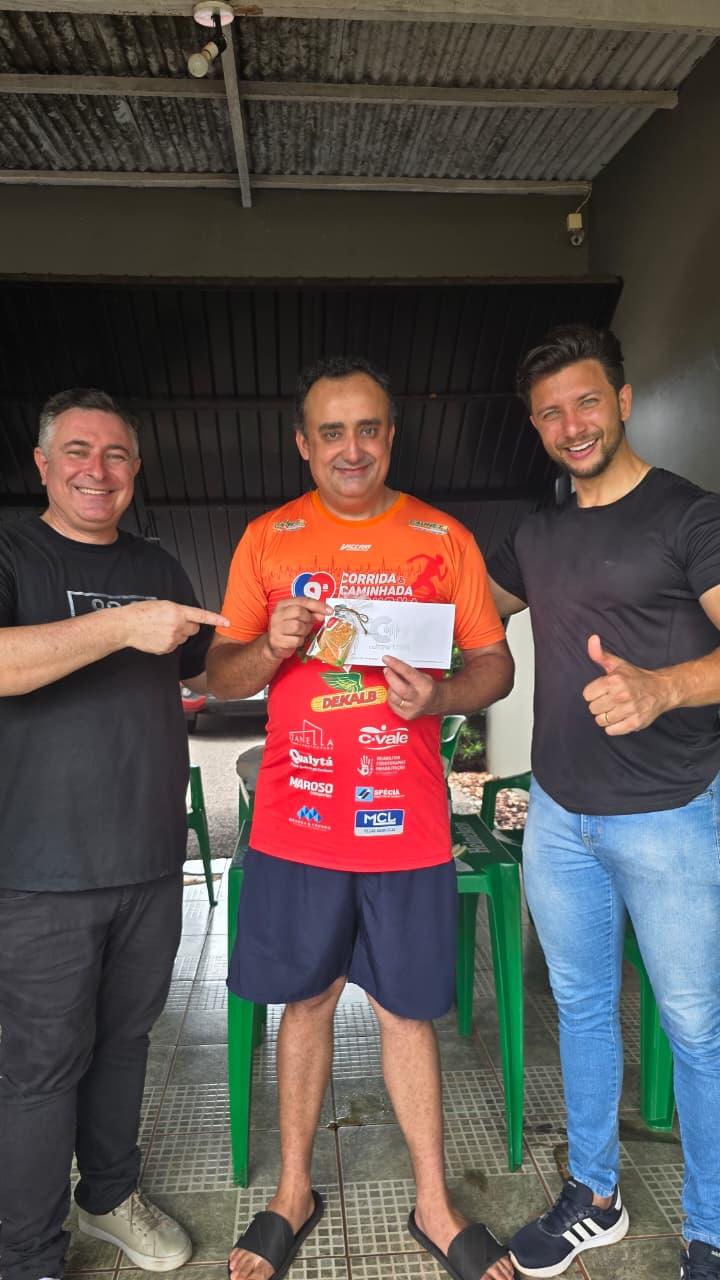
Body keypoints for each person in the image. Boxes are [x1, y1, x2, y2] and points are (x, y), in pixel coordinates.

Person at [207, 355, 516, 1280]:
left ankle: (433, 1204)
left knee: (408, 1010)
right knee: (304, 1000)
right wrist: (271, 646)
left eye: (368, 428)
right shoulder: (266, 539)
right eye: (332, 432)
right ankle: (292, 1192)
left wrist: (443, 696)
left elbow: (495, 665)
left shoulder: (442, 537)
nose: (352, 449)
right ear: (303, 444)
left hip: (405, 821)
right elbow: (220, 676)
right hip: (298, 819)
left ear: (391, 436)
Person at [486, 325, 720, 1280]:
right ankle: (595, 1196)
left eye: (587, 401)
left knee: (694, 1024)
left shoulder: (690, 516)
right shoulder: (535, 536)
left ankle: (711, 1228)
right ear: (535, 425)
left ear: (623, 401)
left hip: (673, 810)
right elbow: (467, 618)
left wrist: (663, 688)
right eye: (550, 412)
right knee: (580, 1009)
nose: (571, 424)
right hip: (559, 816)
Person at [0, 389, 229, 1280]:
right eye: (78, 451)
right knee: (41, 1067)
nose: (98, 471)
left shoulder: (158, 563)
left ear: (136, 469)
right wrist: (123, 625)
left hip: (148, 860)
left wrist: (278, 639)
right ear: (43, 464)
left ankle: (108, 1195)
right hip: (37, 871)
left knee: (127, 1041)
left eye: (117, 455)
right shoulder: (12, 551)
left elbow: (208, 668)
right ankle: (28, 1254)